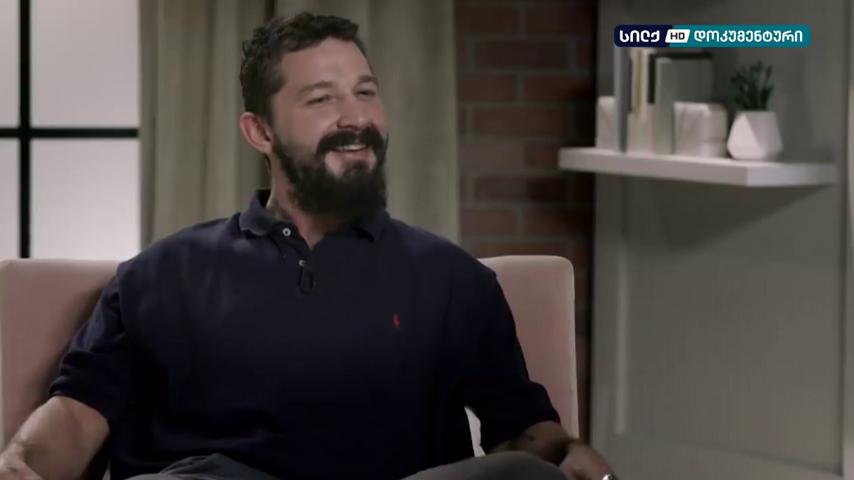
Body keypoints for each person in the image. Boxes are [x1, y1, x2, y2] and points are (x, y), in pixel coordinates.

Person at [0, 12, 615, 480]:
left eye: (365, 92)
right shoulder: (161, 274)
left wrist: (566, 452)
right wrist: (23, 463)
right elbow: (77, 414)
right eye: (322, 99)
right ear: (260, 131)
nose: (356, 117)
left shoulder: (453, 279)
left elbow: (523, 433)